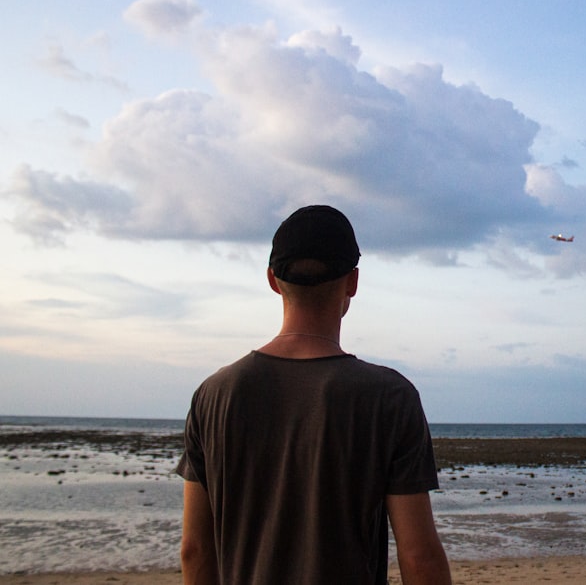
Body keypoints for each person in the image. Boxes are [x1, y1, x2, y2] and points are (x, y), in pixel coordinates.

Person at [177, 205, 451, 585]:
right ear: (352, 282)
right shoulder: (390, 398)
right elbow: (419, 556)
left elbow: (194, 548)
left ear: (273, 280)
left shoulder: (213, 395)